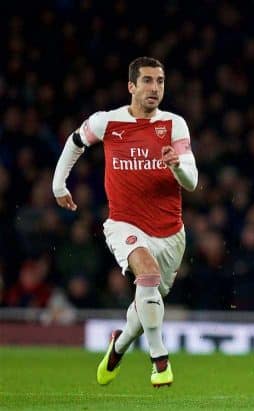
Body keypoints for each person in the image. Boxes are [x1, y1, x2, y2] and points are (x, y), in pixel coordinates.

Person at [52, 57, 198, 387]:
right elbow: (75, 142)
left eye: (160, 81)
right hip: (124, 224)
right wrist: (58, 185)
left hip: (171, 233)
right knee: (146, 274)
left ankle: (118, 347)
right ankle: (160, 360)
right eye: (147, 81)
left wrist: (176, 165)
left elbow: (191, 182)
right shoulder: (107, 122)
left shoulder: (174, 125)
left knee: (146, 302)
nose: (154, 88)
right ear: (131, 86)